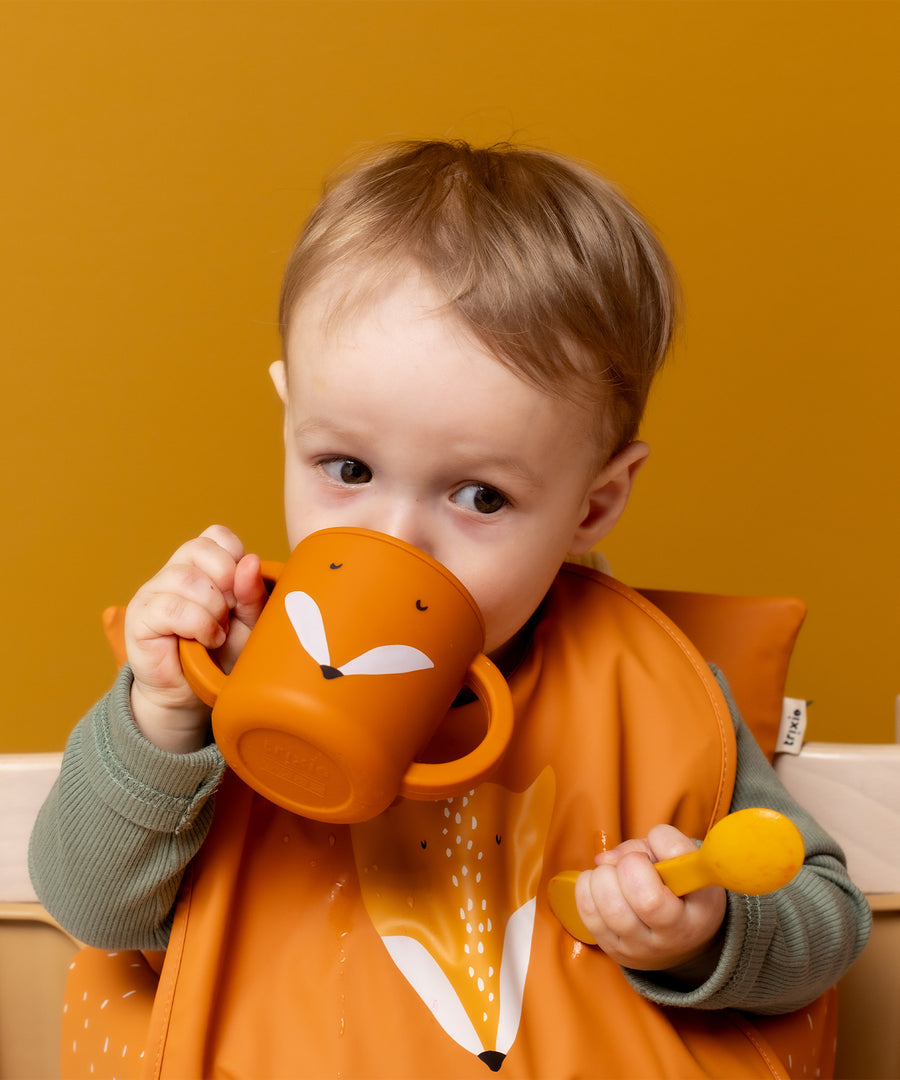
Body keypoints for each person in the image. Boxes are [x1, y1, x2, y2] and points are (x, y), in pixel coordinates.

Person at [30, 140, 869, 1079]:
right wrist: (163, 718)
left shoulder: (654, 686)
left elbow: (828, 924)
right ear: (289, 420)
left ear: (591, 504)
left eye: (478, 496)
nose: (399, 540)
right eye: (345, 469)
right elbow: (92, 908)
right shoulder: (223, 664)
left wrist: (703, 933)